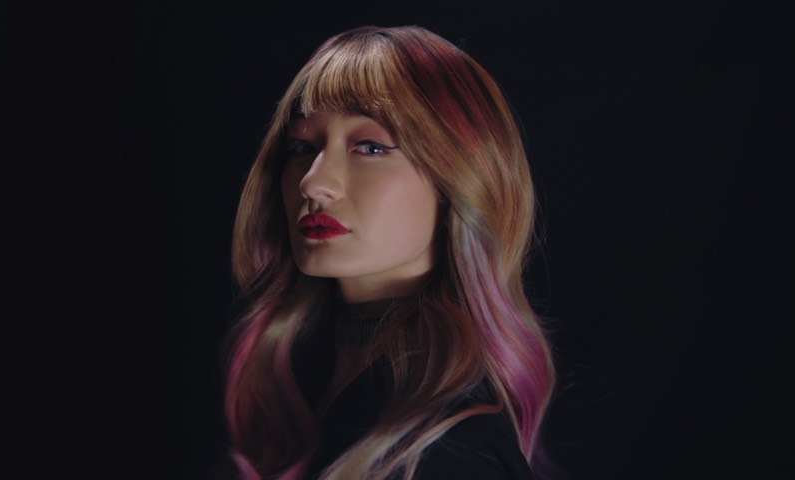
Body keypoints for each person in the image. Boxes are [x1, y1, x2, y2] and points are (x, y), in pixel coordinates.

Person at [224, 25, 555, 479]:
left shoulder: (455, 452)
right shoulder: (298, 383)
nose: (314, 182)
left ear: (458, 181)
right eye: (302, 147)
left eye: (371, 147)